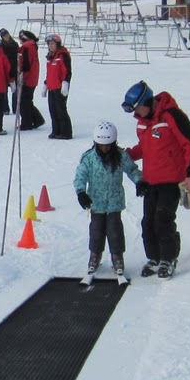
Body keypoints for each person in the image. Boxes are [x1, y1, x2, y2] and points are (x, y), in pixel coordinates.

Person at [122, 79, 190, 278]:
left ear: (147, 102)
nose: (135, 114)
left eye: (137, 109)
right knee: (148, 222)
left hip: (172, 181)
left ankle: (169, 258)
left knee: (163, 219)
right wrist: (125, 155)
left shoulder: (172, 116)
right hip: (151, 181)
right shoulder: (142, 123)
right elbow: (145, 148)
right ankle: (154, 258)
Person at [73, 120, 141, 282]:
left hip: (114, 203)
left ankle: (117, 256)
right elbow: (80, 176)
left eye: (108, 145)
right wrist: (81, 192)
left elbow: (132, 170)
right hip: (96, 203)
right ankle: (95, 255)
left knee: (115, 230)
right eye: (101, 145)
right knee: (96, 230)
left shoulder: (121, 156)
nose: (105, 149)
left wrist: (140, 181)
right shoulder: (89, 158)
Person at [43, 34, 73, 139]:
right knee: (53, 110)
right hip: (52, 87)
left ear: (57, 44)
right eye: (49, 44)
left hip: (60, 88)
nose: (50, 46)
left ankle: (66, 132)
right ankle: (56, 131)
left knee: (61, 110)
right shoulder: (50, 56)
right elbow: (50, 73)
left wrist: (65, 82)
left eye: (52, 44)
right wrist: (46, 84)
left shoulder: (62, 55)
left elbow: (67, 70)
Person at [15, 30, 44, 130]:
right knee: (27, 100)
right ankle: (37, 119)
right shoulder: (32, 47)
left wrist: (21, 76)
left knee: (24, 101)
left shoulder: (26, 48)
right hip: (32, 78)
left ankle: (27, 122)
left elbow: (25, 65)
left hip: (27, 79)